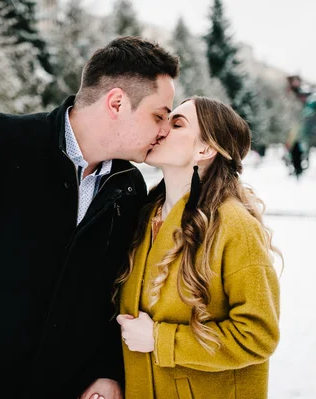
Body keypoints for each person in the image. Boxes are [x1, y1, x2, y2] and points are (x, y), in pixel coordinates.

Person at [0, 36, 180, 399]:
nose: (164, 129)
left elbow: (109, 296)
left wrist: (105, 370)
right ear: (116, 102)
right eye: (159, 115)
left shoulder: (128, 188)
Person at [115, 97, 282, 399]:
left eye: (177, 123)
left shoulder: (235, 226)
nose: (162, 128)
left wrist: (160, 339)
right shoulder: (142, 215)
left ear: (205, 149)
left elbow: (258, 336)